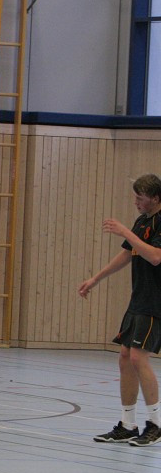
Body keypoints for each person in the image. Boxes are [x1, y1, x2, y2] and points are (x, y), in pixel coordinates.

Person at [79, 173, 161, 446]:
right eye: (135, 197)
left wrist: (125, 231)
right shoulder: (142, 222)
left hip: (156, 302)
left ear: (156, 198)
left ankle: (156, 423)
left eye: (141, 198)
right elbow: (128, 254)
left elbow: (155, 256)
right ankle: (128, 424)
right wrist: (95, 279)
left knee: (138, 357)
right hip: (139, 300)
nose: (136, 202)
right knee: (125, 357)